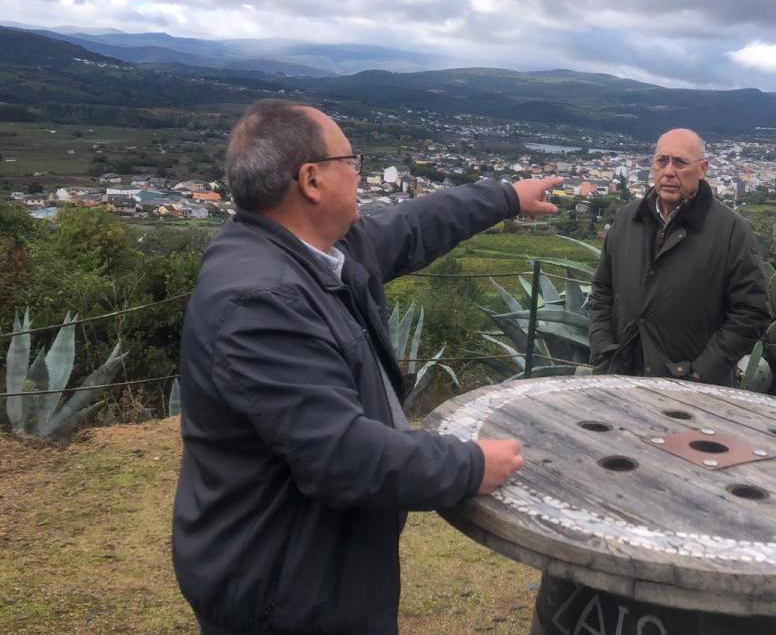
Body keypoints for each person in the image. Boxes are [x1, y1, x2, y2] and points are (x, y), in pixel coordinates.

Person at [172, 99, 560, 635]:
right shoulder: (263, 300)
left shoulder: (308, 252)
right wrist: (469, 466)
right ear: (311, 180)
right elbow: (342, 455)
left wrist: (506, 197)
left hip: (313, 563)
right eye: (350, 161)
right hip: (283, 589)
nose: (360, 173)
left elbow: (409, 227)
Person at [588, 127, 770, 384]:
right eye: (662, 161)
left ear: (703, 169)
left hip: (691, 391)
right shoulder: (628, 219)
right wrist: (603, 350)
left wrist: (701, 372)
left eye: (680, 162)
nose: (669, 171)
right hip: (620, 375)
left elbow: (751, 311)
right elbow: (602, 290)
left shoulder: (731, 231)